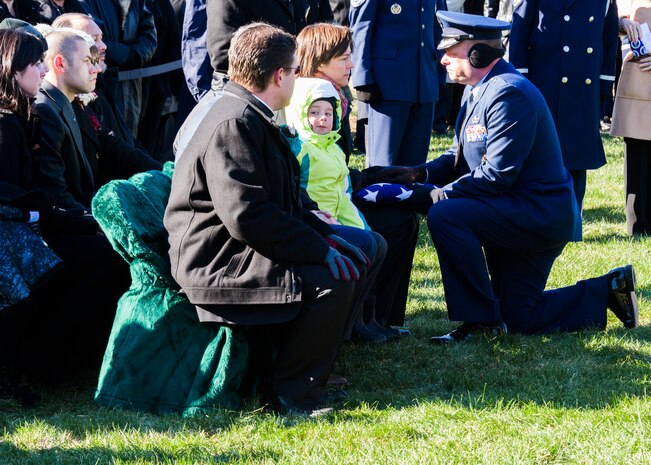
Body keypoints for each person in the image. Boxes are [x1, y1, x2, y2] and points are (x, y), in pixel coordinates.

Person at [367, 11, 639, 343]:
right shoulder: (479, 88)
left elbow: (496, 176)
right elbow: (460, 159)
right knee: (521, 317)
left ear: (476, 53)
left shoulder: (510, 93)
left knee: (447, 214)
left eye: (450, 51)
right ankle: (609, 289)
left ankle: (479, 321)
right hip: (513, 213)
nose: (442, 60)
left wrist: (430, 195)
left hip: (534, 218)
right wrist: (417, 173)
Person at [165, 23, 370, 415]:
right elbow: (247, 215)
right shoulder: (234, 121)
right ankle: (290, 394)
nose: (297, 76)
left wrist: (324, 234)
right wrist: (317, 248)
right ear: (280, 75)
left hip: (238, 243)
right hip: (217, 259)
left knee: (356, 250)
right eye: (294, 70)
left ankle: (307, 369)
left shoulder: (249, 110)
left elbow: (279, 199)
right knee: (332, 279)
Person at [296, 22, 418, 333]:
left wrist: (376, 177)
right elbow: (311, 169)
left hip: (340, 194)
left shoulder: (335, 94)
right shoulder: (307, 102)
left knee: (403, 218)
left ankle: (380, 316)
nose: (352, 64)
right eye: (344, 58)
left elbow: (335, 164)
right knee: (394, 225)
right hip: (321, 207)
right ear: (320, 60)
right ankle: (364, 317)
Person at [509, 0, 619, 210]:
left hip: (584, 87)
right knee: (542, 150)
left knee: (577, 154)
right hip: (545, 82)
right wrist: (519, 82)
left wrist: (605, 84)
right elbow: (520, 32)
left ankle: (573, 212)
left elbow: (608, 37)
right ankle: (539, 206)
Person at [349, 0, 446, 167]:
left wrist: (439, 74)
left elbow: (440, 25)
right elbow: (360, 29)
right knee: (383, 163)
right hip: (387, 84)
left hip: (424, 81)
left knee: (414, 166)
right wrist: (363, 78)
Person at [610, 0, 651, 235]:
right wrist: (622, 22)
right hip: (638, 81)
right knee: (636, 156)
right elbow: (608, 18)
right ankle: (638, 223)